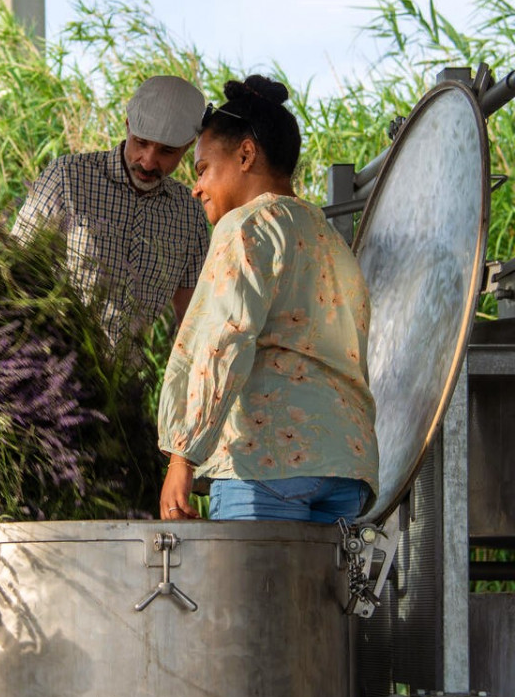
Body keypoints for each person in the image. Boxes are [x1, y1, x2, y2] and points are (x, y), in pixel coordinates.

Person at [157, 75, 379, 522]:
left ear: (245, 154)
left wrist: (182, 455)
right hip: (349, 468)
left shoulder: (247, 226)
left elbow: (221, 339)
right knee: (326, 596)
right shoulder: (331, 241)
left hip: (267, 462)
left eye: (202, 169)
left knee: (247, 595)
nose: (196, 188)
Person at [11, 75, 210, 346]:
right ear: (128, 126)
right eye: (141, 142)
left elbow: (192, 317)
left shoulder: (190, 214)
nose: (149, 162)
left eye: (167, 151)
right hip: (49, 364)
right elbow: (13, 269)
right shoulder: (67, 178)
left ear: (188, 147)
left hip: (128, 379)